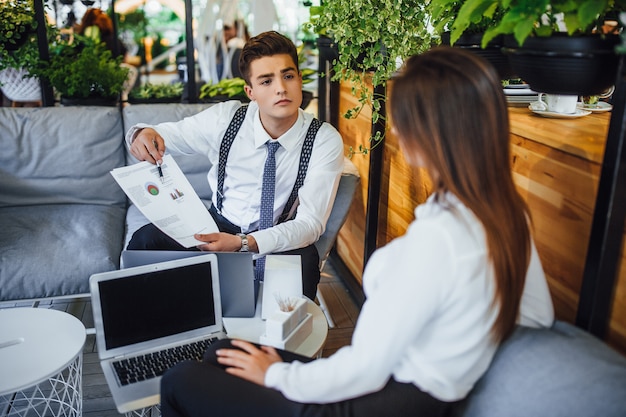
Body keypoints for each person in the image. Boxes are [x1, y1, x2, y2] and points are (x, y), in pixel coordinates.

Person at [158, 46, 555, 417]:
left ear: (427, 132)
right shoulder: (506, 212)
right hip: (400, 385)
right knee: (224, 352)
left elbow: (363, 370)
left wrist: (276, 376)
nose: (396, 132)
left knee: (179, 379)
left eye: (402, 118)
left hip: (375, 400)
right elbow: (538, 316)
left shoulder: (439, 239)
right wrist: (465, 343)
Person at [125, 31, 345, 301]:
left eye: (288, 76)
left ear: (300, 79)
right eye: (266, 81)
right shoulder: (226, 119)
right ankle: (160, 325)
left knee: (305, 268)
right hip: (218, 224)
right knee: (145, 242)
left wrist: (246, 244)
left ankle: (276, 340)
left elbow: (310, 223)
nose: (280, 88)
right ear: (250, 92)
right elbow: (165, 135)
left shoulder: (324, 139)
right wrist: (141, 134)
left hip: (276, 232)